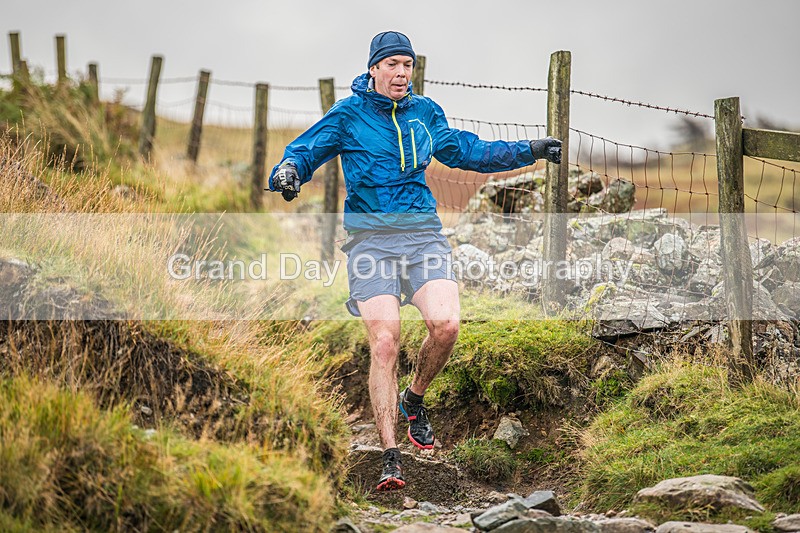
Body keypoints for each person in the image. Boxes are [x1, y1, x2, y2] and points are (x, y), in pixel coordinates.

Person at [267, 31, 562, 491]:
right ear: (374, 70)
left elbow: (471, 152)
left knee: (446, 326)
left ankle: (414, 398)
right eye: (392, 64)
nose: (402, 72)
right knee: (385, 342)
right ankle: (390, 456)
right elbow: (304, 151)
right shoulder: (348, 114)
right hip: (370, 245)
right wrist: (286, 173)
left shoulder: (425, 114)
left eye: (408, 64)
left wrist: (531, 150)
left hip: (423, 237)